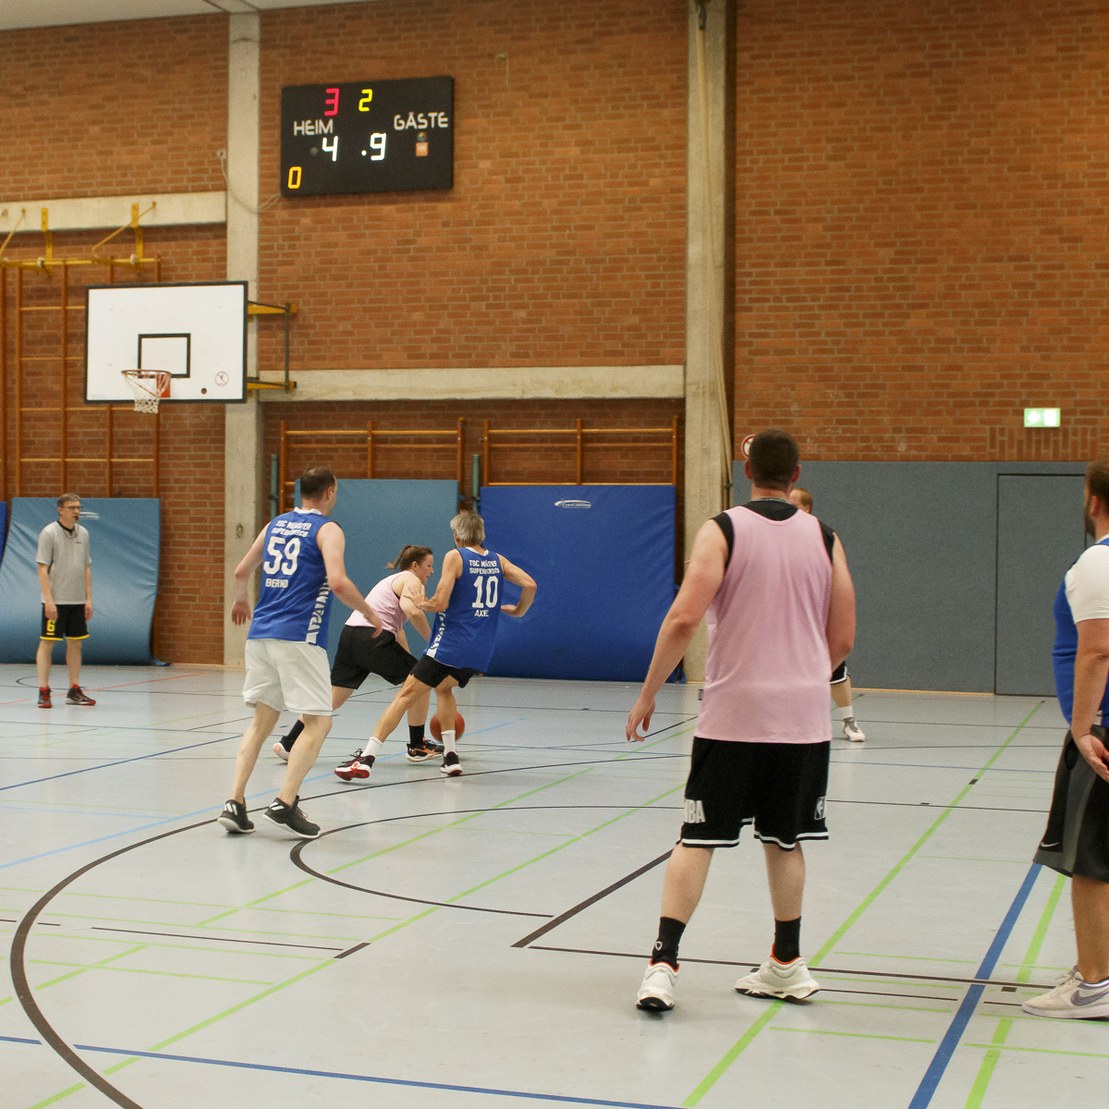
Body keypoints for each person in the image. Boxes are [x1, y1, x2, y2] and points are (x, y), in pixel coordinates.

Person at [628, 429, 856, 1012]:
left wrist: (650, 692)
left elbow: (683, 618)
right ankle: (787, 962)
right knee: (785, 840)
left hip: (733, 716)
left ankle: (662, 965)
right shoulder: (826, 537)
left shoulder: (722, 528)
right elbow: (844, 635)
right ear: (798, 473)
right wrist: (804, 678)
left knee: (696, 838)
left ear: (745, 467)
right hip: (803, 723)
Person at [217, 466, 382, 839]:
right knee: (319, 721)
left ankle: (235, 803)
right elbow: (337, 581)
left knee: (261, 722)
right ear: (328, 492)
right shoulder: (328, 529)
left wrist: (241, 602)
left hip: (260, 635)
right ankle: (285, 802)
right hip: (298, 636)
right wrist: (371, 613)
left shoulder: (275, 523)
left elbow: (242, 570)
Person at [334, 510, 536, 780]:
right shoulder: (497, 560)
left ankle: (366, 759)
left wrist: (422, 604)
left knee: (405, 695)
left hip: (450, 644)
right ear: (481, 535)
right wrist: (519, 611)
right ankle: (450, 757)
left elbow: (439, 603)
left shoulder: (455, 556)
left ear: (456, 535)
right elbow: (530, 584)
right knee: (444, 688)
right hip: (481, 648)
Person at [1025, 460, 1109, 1019]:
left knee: (1090, 863)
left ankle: (1095, 985)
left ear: (1094, 500)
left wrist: (1082, 728)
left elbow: (1097, 650)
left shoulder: (1097, 563)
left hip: (1102, 735)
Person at [274, 545, 445, 764]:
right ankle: (417, 745)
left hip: (351, 635)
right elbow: (411, 610)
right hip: (371, 636)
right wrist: (433, 642)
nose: (431, 572)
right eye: (429, 566)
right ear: (415, 566)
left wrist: (409, 664)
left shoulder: (391, 582)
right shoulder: (411, 580)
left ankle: (288, 743)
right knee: (421, 682)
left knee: (332, 698)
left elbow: (397, 630)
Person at [790, 486, 865, 742]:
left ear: (807, 508)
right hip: (787, 614)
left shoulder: (823, 536)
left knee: (835, 670)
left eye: (795, 505)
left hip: (816, 614)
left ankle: (848, 721)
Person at [36, 493, 95, 708]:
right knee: (47, 643)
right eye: (71, 507)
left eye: (78, 507)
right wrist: (49, 601)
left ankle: (74, 689)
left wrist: (88, 599)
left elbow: (86, 567)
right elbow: (42, 569)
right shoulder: (49, 533)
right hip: (56, 601)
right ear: (60, 509)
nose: (77, 511)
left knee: (76, 644)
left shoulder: (84, 533)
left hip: (77, 600)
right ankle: (44, 690)